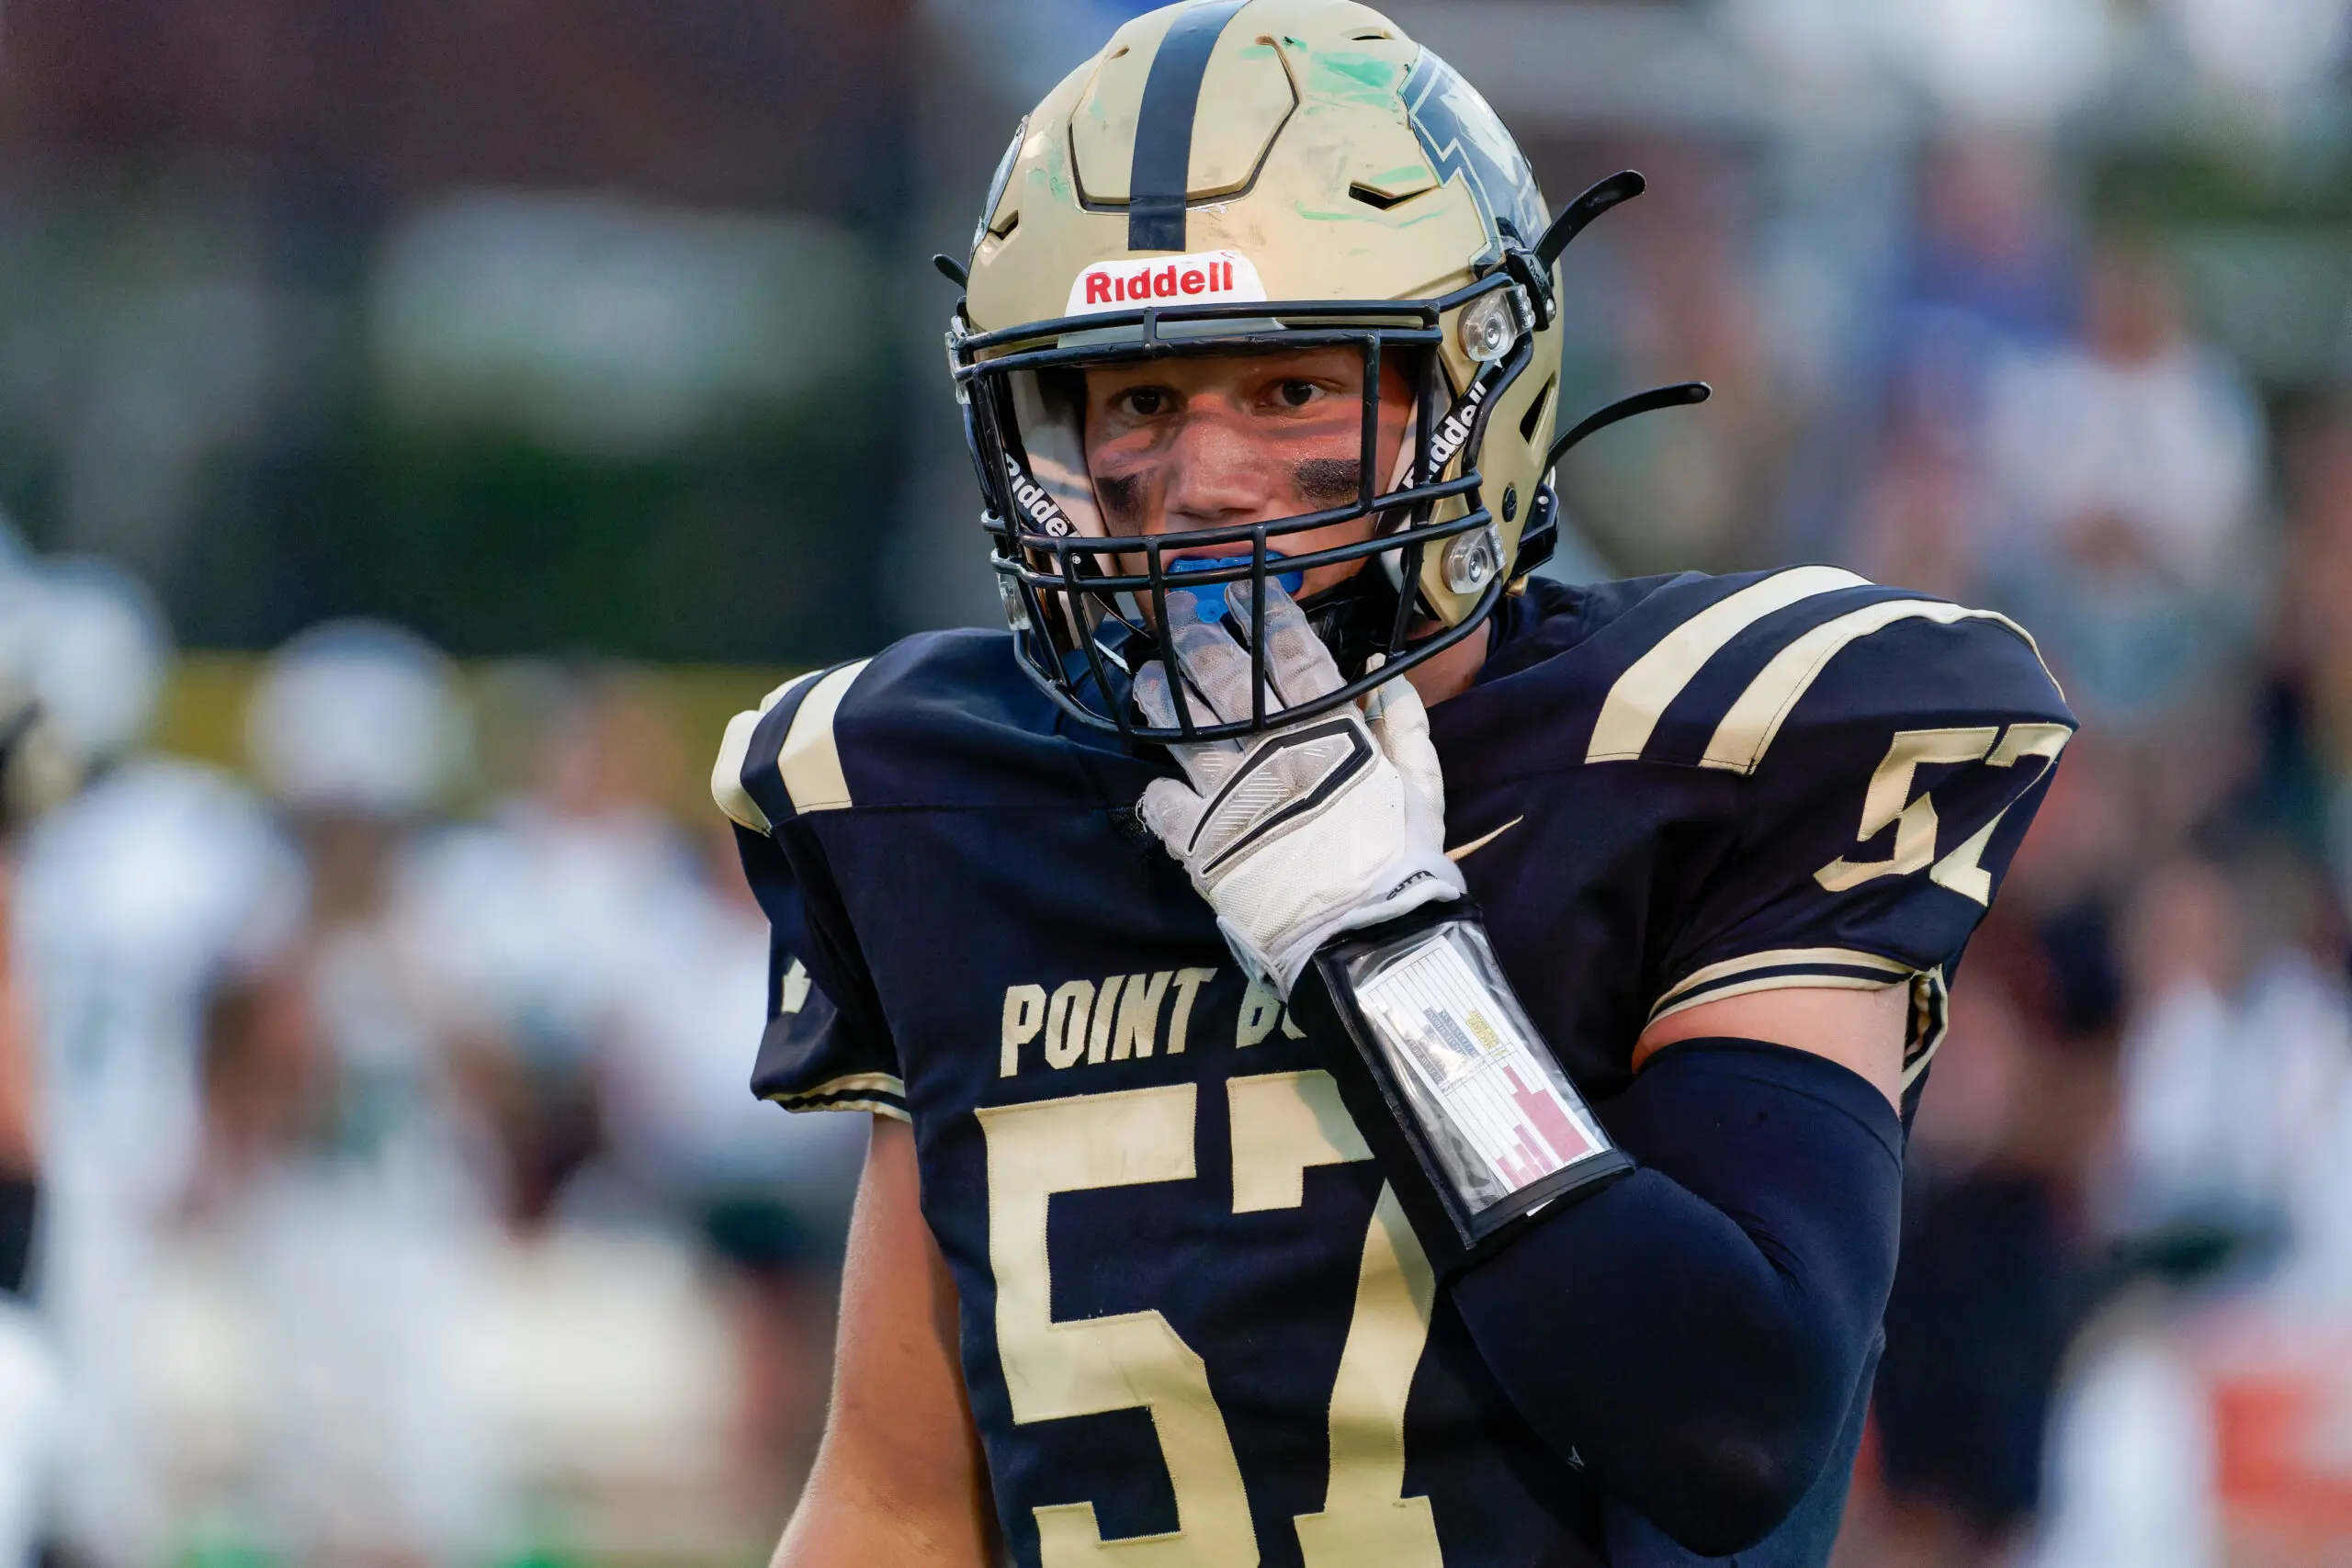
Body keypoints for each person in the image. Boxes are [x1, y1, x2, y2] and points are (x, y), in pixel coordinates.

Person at [713, 5, 2073, 1564]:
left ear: (1472, 393)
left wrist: (1381, 949)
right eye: (1140, 402)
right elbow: (897, 1499)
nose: (1202, 481)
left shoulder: (1704, 751)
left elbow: (1734, 1421)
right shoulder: (945, 797)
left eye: (1288, 389)